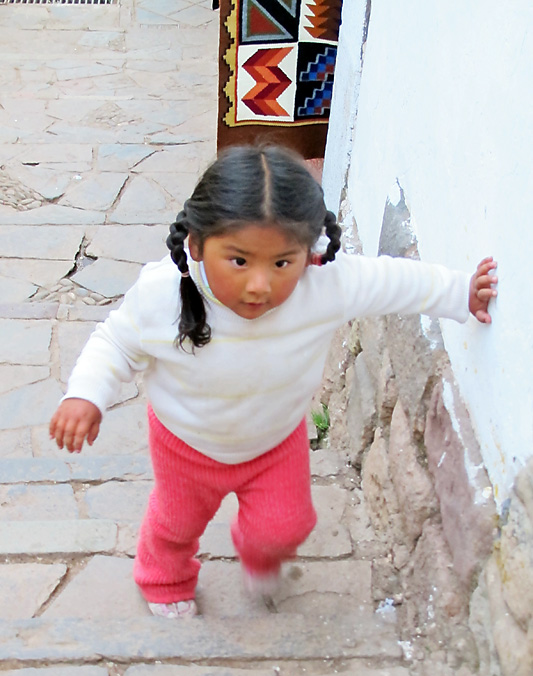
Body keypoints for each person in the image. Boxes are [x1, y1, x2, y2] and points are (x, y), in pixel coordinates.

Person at [49, 145, 498, 620]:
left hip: (275, 441)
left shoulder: (325, 285)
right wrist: (86, 395)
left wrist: (458, 292)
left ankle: (259, 553)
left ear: (311, 252)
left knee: (286, 526)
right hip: (185, 444)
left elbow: (394, 281)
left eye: (282, 263)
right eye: (239, 261)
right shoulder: (164, 295)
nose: (260, 285)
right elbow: (115, 343)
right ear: (197, 244)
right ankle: (163, 578)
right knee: (176, 524)